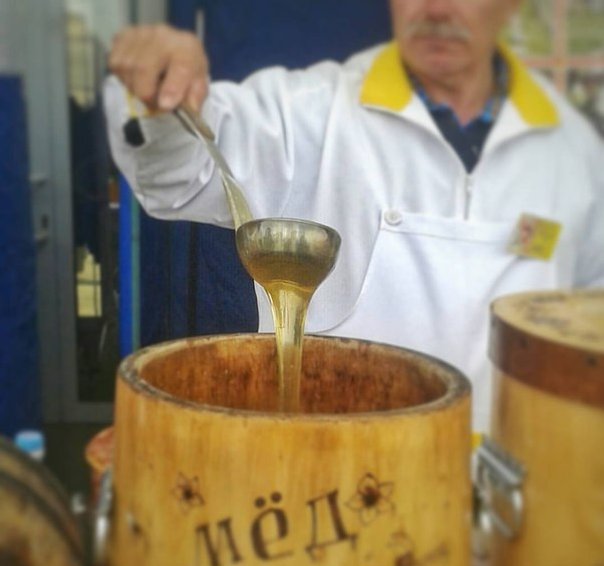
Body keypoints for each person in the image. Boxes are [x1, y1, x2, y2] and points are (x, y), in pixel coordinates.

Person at [103, 0, 604, 433]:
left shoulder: (571, 150)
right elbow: (177, 173)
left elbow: (590, 319)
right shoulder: (311, 112)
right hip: (332, 474)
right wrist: (160, 96)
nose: (436, 10)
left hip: (510, 481)